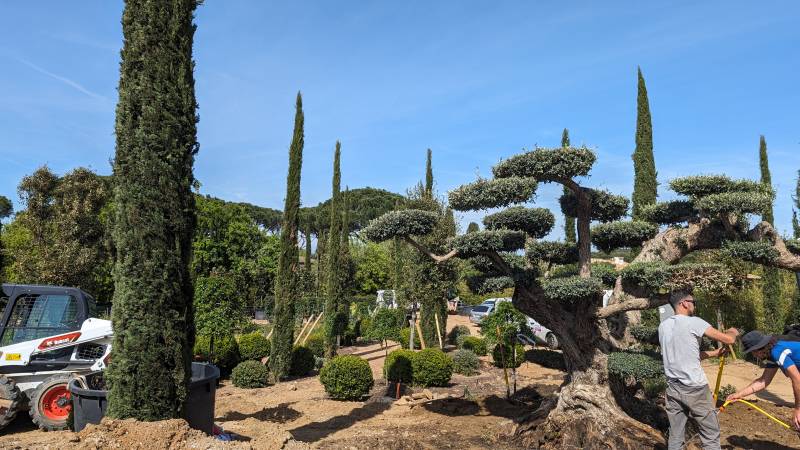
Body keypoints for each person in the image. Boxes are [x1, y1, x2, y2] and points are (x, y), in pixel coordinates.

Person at [658, 289, 739, 450]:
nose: (694, 305)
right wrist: (733, 331)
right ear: (684, 303)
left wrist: (715, 353)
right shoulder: (694, 322)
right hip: (695, 389)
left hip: (673, 389)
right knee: (710, 435)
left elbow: (689, 355)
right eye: (693, 302)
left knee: (675, 436)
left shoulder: (664, 326)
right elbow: (728, 339)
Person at [725, 330, 800, 429]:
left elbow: (797, 379)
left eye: (753, 352)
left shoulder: (778, 351)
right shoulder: (771, 354)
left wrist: (798, 408)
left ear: (759, 348)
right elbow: (763, 381)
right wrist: (738, 395)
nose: (754, 355)